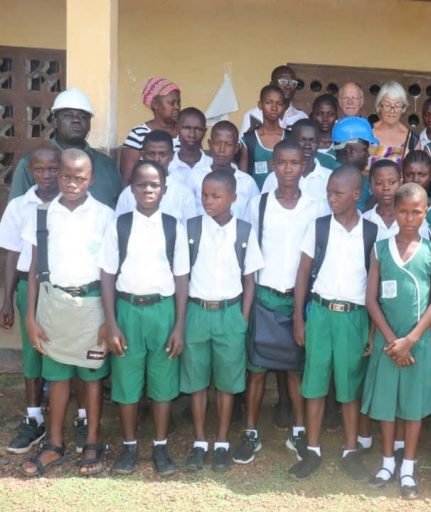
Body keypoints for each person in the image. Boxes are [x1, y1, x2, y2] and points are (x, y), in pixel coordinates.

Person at [21, 148, 115, 477]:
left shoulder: (104, 215)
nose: (72, 183)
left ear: (91, 178)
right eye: (66, 176)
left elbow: (108, 272)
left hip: (91, 306)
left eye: (80, 177)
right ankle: (55, 444)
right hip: (53, 303)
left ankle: (92, 442)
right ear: (57, 174)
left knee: (91, 377)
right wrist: (31, 318)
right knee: (57, 376)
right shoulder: (42, 214)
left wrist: (109, 319)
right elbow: (34, 270)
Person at [233, 140, 321, 466]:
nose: (287, 169)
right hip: (263, 297)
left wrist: (303, 308)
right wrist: (249, 301)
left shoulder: (314, 206)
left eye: (294, 163)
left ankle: (298, 431)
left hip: (295, 300)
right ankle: (251, 433)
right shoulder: (259, 204)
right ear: (272, 165)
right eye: (281, 162)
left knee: (295, 372)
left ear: (304, 166)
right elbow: (249, 257)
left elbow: (313, 258)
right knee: (256, 372)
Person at [100, 160, 190, 476]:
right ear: (132, 188)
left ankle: (160, 446)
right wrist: (111, 323)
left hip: (163, 311)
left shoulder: (173, 226)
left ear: (164, 190)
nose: (148, 189)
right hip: (127, 311)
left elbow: (181, 279)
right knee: (126, 379)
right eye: (142, 184)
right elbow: (108, 275)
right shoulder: (119, 225)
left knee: (164, 381)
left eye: (155, 185)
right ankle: (128, 446)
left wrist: (179, 325)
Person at [288, 166, 378, 480]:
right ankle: (311, 450)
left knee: (350, 386)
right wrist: (299, 317)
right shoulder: (319, 227)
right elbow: (302, 273)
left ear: (357, 194)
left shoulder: (372, 232)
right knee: (313, 384)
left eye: (338, 193)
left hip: (353, 317)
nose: (331, 198)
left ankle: (350, 451)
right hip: (321, 313)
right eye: (329, 192)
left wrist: (372, 328)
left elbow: (375, 287)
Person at [361, 183, 431, 499]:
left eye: (417, 212)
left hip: (417, 342)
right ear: (394, 212)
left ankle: (407, 467)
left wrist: (411, 339)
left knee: (412, 405)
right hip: (387, 341)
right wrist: (394, 340)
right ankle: (386, 463)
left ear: (426, 211)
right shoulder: (380, 249)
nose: (410, 218)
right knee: (385, 404)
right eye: (404, 211)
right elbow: (371, 299)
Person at [181, 170, 263, 473]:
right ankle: (200, 441)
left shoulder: (243, 231)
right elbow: (183, 275)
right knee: (197, 381)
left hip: (230, 313)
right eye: (204, 194)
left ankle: (222, 441)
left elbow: (250, 279)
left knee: (227, 384)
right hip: (197, 312)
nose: (208, 201)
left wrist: (242, 317)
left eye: (216, 196)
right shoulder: (190, 228)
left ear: (233, 198)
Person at [0, 146, 60, 454]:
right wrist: (8, 299)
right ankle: (34, 418)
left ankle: (76, 418)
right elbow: (11, 253)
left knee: (64, 352)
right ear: (30, 172)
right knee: (32, 354)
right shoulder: (19, 206)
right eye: (40, 169)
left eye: (53, 169)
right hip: (28, 286)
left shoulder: (72, 204)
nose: (47, 175)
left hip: (63, 290)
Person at [10, 88, 122, 209]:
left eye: (83, 117)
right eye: (68, 115)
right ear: (55, 122)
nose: (76, 120)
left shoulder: (106, 165)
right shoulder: (32, 162)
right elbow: (16, 211)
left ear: (89, 124)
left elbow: (119, 209)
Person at [115, 130, 196, 223]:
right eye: (151, 154)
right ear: (143, 155)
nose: (156, 159)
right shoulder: (128, 193)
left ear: (171, 156)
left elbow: (189, 232)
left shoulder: (183, 193)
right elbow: (118, 227)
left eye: (162, 154)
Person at [190, 121, 259, 220]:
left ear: (236, 148)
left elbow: (254, 217)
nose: (222, 149)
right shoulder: (195, 176)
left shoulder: (247, 182)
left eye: (228, 144)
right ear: (210, 144)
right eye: (217, 143)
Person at [261, 119, 333, 213]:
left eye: (312, 141)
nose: (307, 146)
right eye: (302, 140)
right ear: (292, 141)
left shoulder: (330, 178)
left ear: (319, 143)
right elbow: (263, 210)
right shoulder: (274, 178)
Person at [120, 77, 181, 182]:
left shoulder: (185, 133)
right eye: (172, 103)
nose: (177, 107)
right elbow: (127, 178)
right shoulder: (138, 134)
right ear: (155, 104)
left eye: (178, 103)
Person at [364, 160, 430, 240]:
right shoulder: (364, 220)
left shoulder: (415, 220)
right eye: (379, 183)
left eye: (392, 182)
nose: (386, 188)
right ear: (371, 186)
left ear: (401, 183)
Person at [241, 85, 287, 188]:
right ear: (260, 105)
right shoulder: (249, 140)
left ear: (283, 107)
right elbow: (242, 179)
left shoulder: (291, 137)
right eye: (268, 103)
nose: (274, 108)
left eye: (279, 103)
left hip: (284, 199)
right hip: (256, 199)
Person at [240, 65, 307, 134]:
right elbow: (243, 143)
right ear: (271, 84)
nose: (288, 87)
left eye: (292, 83)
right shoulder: (253, 116)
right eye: (283, 82)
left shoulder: (301, 117)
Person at [331, 116, 378, 211]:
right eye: (365, 149)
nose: (368, 154)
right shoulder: (353, 180)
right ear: (350, 150)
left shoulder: (327, 170)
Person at [369, 82, 418, 167]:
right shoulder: (367, 131)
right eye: (387, 105)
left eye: (397, 106)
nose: (392, 110)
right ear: (380, 106)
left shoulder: (412, 139)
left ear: (403, 108)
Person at [168, 107, 211, 189]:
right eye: (187, 128)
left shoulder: (212, 165)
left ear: (205, 132)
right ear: (177, 128)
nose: (192, 134)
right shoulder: (168, 165)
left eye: (198, 129)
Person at [402, 150, 431, 223]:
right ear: (402, 175)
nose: (415, 180)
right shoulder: (393, 207)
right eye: (409, 174)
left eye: (422, 175)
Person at [311, 94, 342, 170]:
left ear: (336, 116)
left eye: (331, 114)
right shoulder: (305, 143)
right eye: (320, 114)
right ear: (313, 115)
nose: (325, 119)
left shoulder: (342, 145)